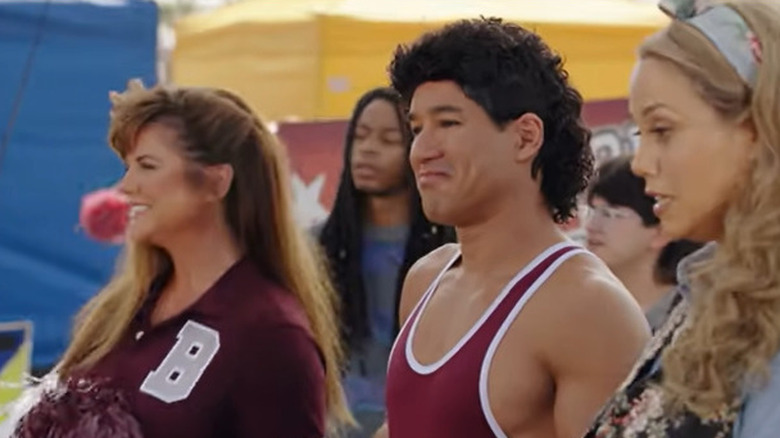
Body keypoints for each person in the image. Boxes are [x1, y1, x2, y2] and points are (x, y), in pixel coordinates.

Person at [6, 80, 352, 437]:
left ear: (216, 182)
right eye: (128, 166)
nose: (126, 186)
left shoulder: (270, 331)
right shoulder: (122, 309)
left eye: (147, 165)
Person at [376, 17, 650, 438]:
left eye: (448, 123)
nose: (422, 151)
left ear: (525, 138)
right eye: (416, 129)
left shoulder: (589, 309)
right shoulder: (426, 279)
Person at [585, 0, 780, 436]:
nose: (639, 163)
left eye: (662, 130)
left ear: (755, 130)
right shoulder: (705, 293)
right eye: (639, 133)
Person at [315, 87, 455, 437]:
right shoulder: (315, 248)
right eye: (360, 137)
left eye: (389, 139)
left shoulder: (450, 253)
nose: (368, 150)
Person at [585, 155, 702, 332]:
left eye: (611, 214)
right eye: (593, 211)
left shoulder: (699, 317)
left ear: (662, 232)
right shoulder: (581, 312)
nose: (592, 226)